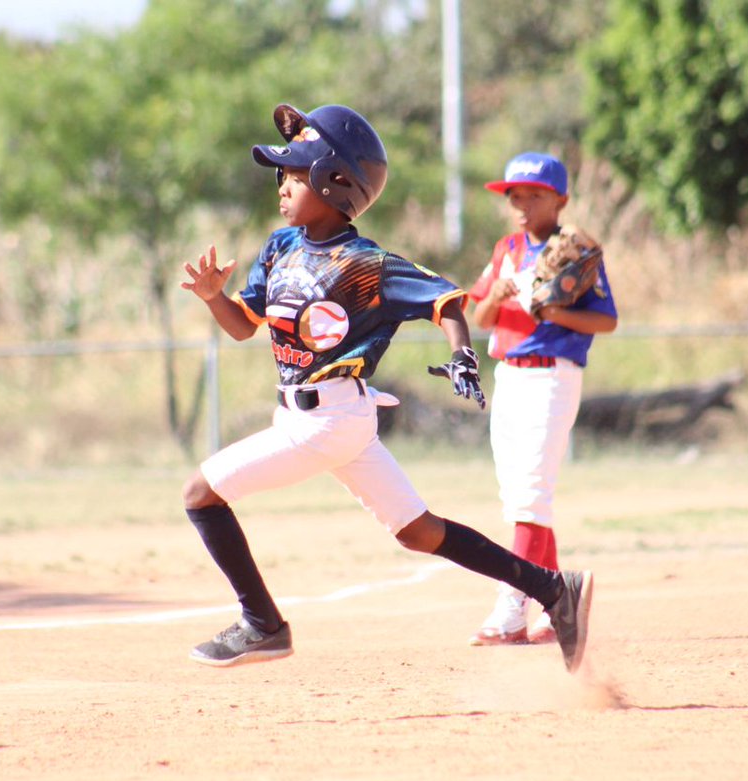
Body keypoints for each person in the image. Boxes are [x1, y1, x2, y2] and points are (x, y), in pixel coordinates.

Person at [178, 104, 594, 673]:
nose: (282, 185)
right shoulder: (280, 248)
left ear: (337, 183)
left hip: (330, 422)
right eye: (283, 173)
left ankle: (262, 623)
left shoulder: (366, 262)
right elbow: (243, 326)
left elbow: (445, 300)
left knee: (200, 494)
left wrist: (462, 355)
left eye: (295, 175)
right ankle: (553, 590)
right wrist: (213, 298)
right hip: (317, 421)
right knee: (420, 532)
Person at [465, 152, 617, 646]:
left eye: (534, 194)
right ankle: (556, 604)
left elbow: (606, 319)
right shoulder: (505, 248)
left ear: (560, 200)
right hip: (507, 376)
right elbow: (481, 317)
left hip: (552, 376)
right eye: (515, 195)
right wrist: (499, 294)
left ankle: (512, 607)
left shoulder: (576, 250)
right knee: (519, 500)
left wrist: (553, 311)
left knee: (531, 494)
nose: (522, 203)